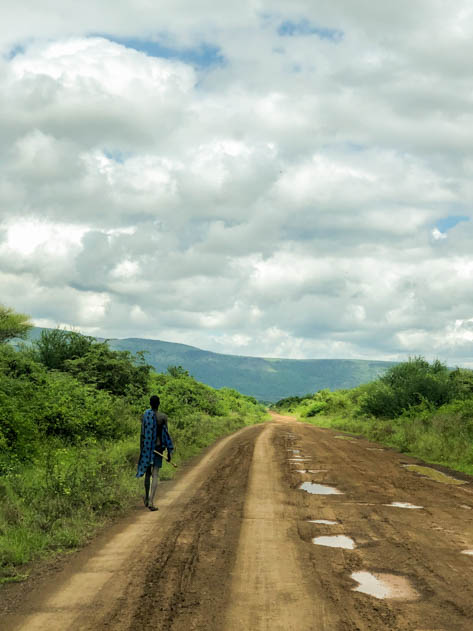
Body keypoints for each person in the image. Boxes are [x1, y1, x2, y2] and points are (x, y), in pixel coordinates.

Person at [136, 395, 174, 511]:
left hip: (147, 448)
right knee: (155, 474)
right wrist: (169, 453)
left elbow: (142, 434)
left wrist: (142, 449)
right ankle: (151, 501)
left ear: (150, 403)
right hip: (158, 448)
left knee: (148, 474)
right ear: (159, 404)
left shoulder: (145, 416)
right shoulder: (162, 417)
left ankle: (147, 499)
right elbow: (166, 435)